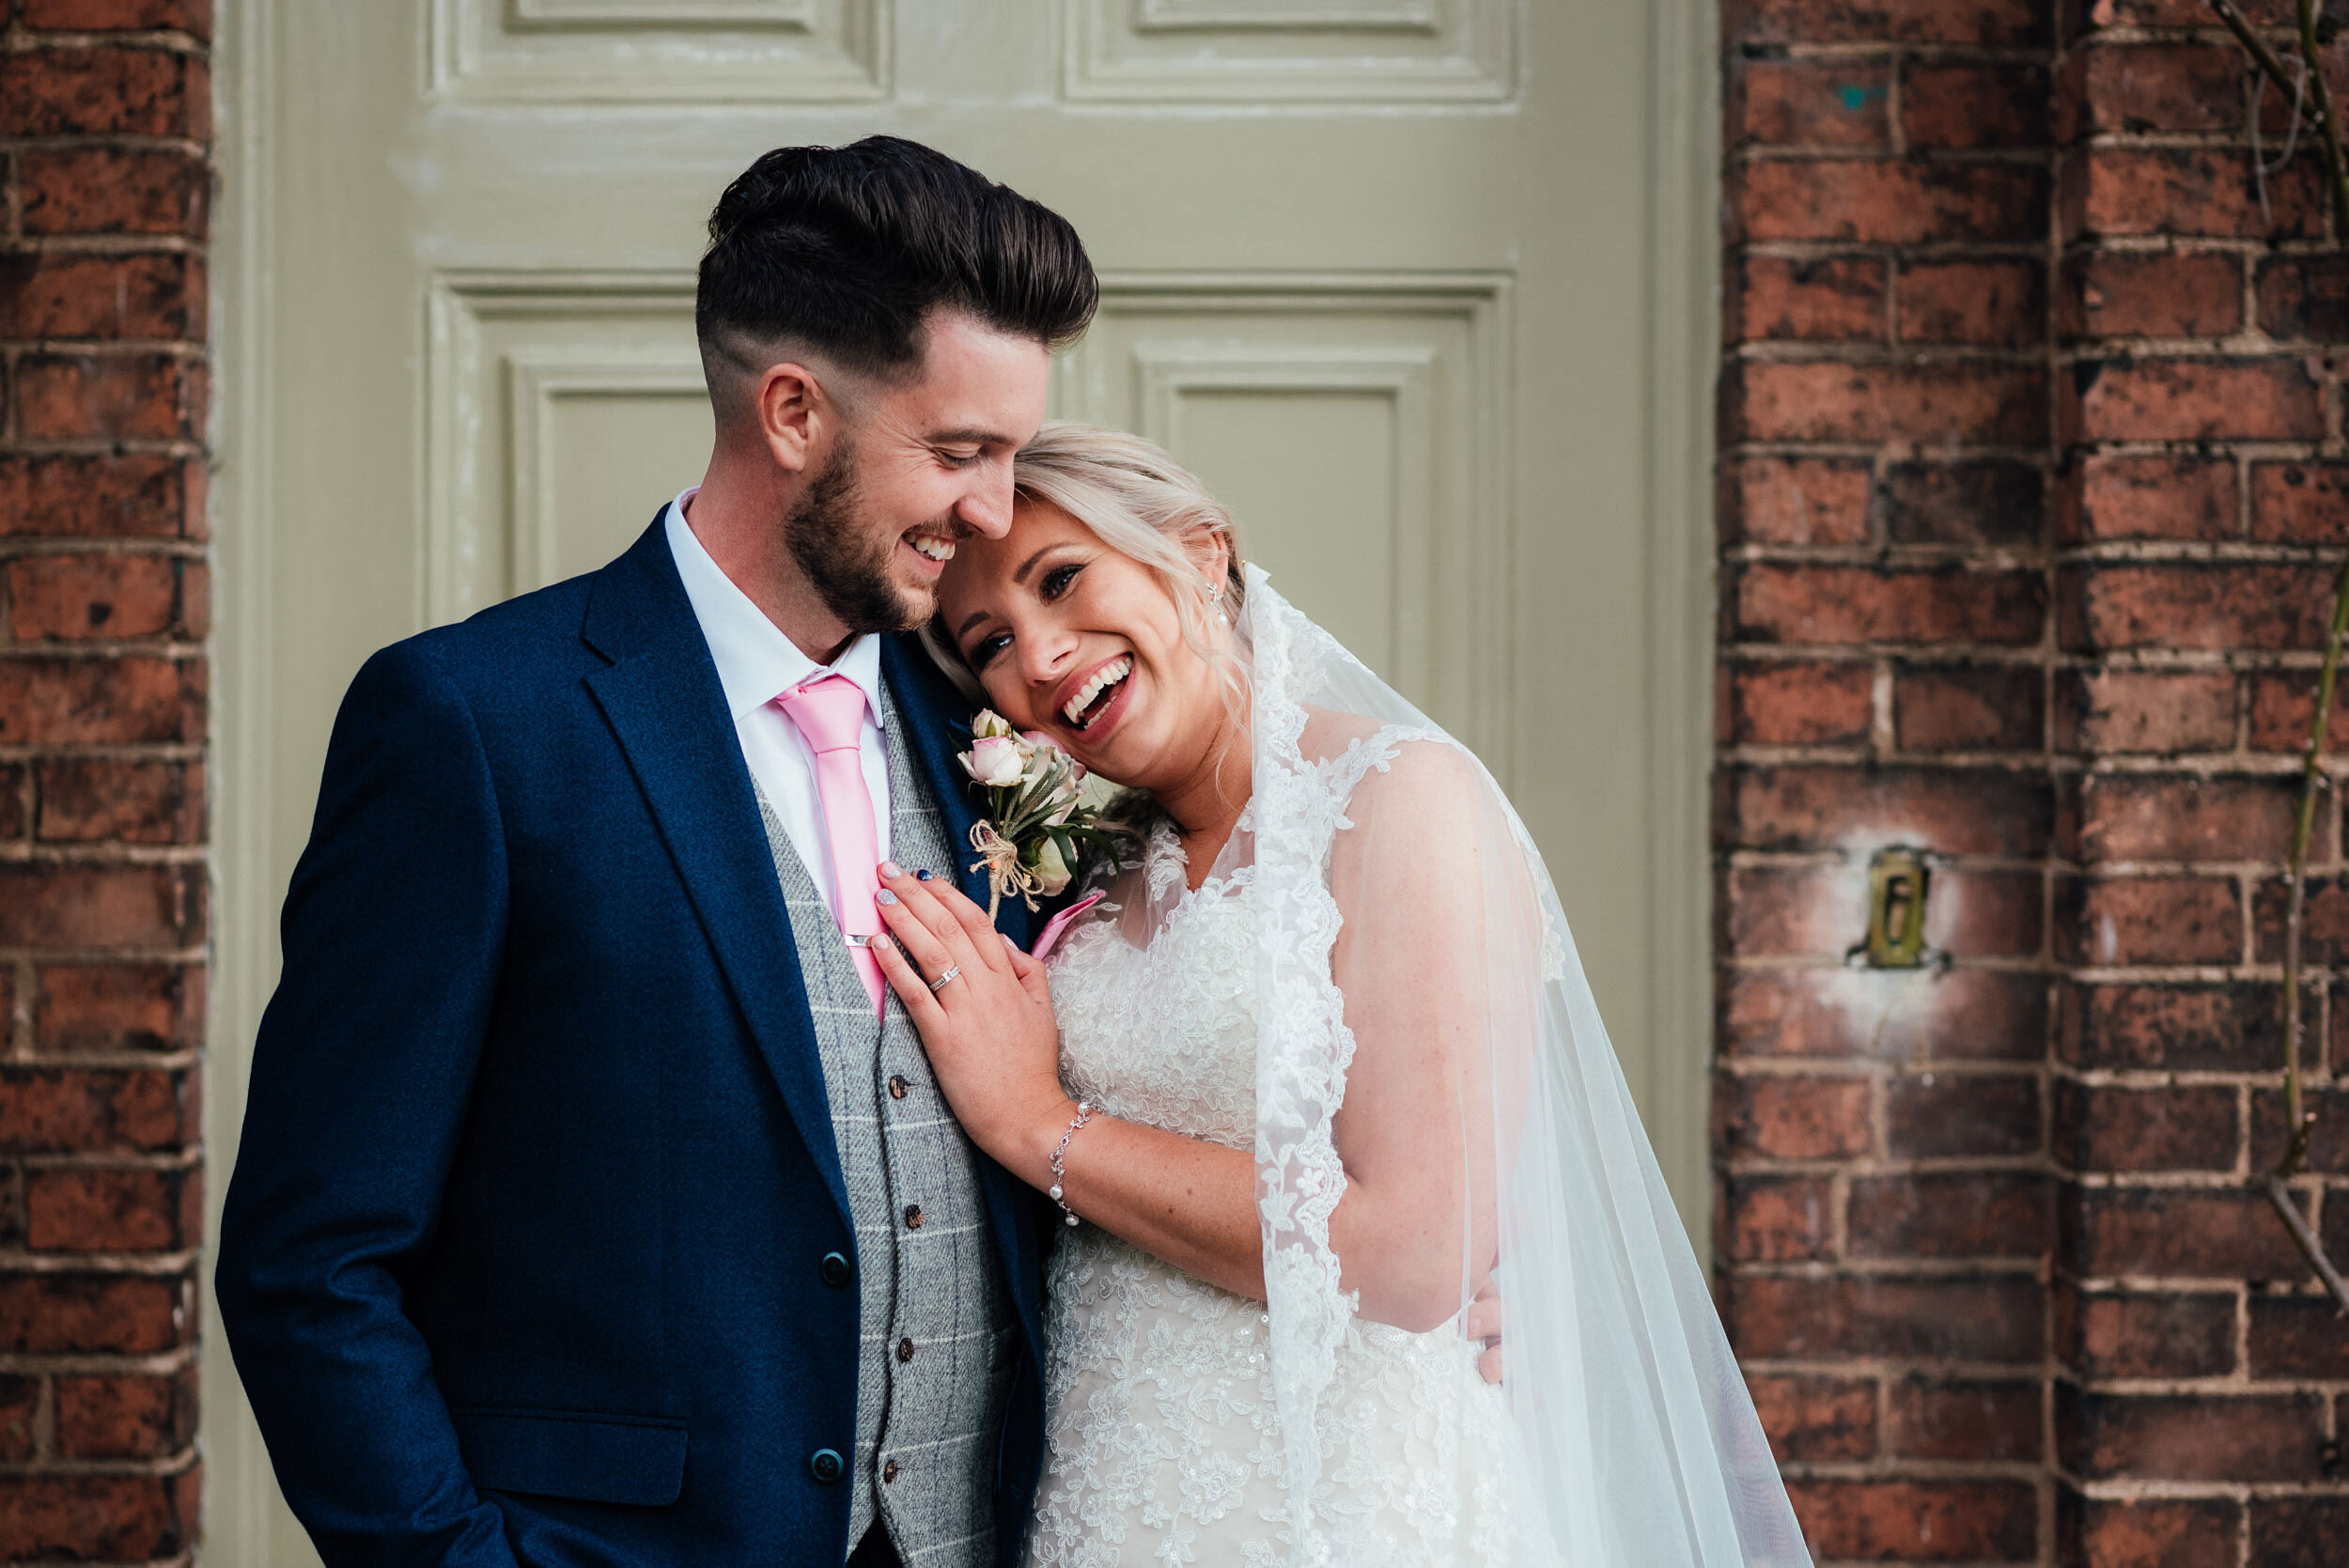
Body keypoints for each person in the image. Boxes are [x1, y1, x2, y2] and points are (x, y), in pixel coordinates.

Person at [215, 138, 1097, 1568]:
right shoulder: (474, 723)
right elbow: (309, 1261)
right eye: (958, 452)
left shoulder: (993, 722)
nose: (996, 513)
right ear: (795, 411)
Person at [861, 424, 1817, 1565]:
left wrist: (1038, 1125)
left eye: (1062, 581)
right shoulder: (1087, 877)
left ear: (1200, 553)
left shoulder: (1408, 802)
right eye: (993, 643)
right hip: (1102, 1499)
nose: (1044, 656)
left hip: (1343, 1504)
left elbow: (1416, 1254)